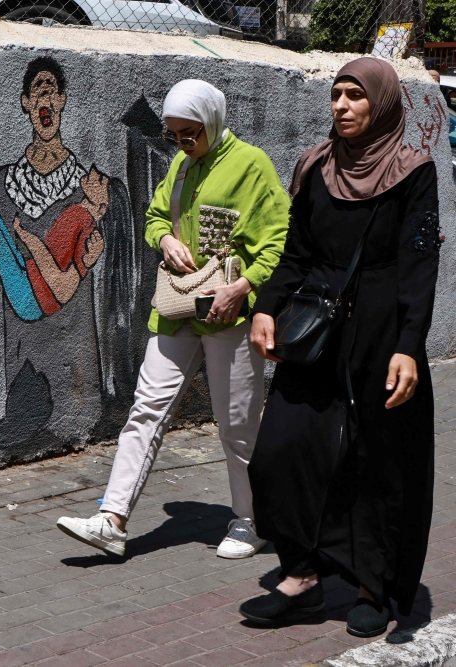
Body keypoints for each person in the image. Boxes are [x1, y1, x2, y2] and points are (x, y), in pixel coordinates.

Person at [241, 58, 441, 638]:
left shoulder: (411, 171)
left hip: (381, 331)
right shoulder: (315, 167)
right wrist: (264, 307)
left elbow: (418, 263)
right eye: (336, 95)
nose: (342, 106)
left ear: (379, 105)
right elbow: (296, 252)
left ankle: (371, 587)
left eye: (355, 96)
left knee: (374, 460)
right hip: (316, 326)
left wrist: (409, 344)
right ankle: (301, 574)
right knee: (282, 447)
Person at [56, 80, 290, 559]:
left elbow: (281, 240)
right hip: (179, 308)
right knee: (146, 409)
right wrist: (164, 240)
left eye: (191, 134)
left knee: (236, 424)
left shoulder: (253, 166)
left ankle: (251, 519)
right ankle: (112, 519)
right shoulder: (182, 167)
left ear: (213, 122)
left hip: (229, 314)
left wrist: (244, 287)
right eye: (175, 136)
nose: (183, 144)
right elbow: (157, 217)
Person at [0, 56, 107, 373]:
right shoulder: (2, 184)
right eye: (38, 90)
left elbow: (79, 263)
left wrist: (96, 214)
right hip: (21, 336)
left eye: (52, 89)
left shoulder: (83, 188)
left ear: (62, 100)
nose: (46, 97)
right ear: (26, 103)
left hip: (70, 345)